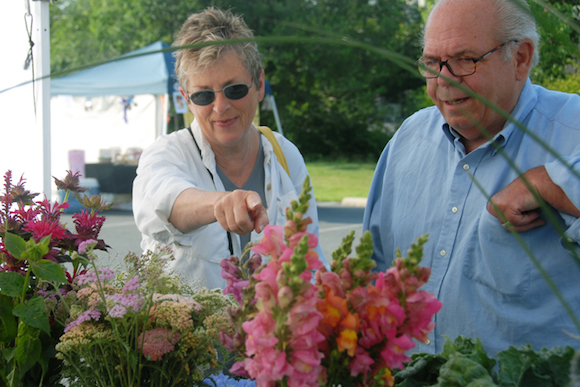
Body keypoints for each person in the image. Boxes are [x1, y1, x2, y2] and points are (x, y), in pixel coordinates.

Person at [363, 0, 580, 357]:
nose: (444, 80)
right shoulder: (408, 138)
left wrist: (548, 183)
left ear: (521, 59)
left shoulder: (570, 130)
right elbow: (373, 271)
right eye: (432, 63)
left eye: (466, 59)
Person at [133, 7, 327, 289]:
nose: (220, 107)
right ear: (186, 99)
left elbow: (311, 259)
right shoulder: (165, 154)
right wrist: (220, 203)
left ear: (259, 85)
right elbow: (164, 200)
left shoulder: (285, 155)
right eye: (203, 95)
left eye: (234, 89)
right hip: (190, 334)